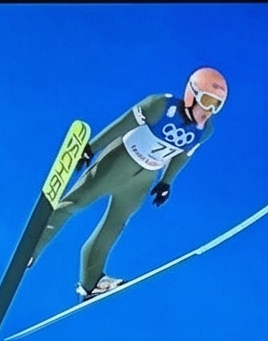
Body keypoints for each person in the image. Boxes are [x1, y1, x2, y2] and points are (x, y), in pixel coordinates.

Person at [36, 67, 227, 299]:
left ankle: (91, 282)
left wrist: (166, 182)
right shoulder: (159, 105)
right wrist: (91, 148)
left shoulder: (204, 131)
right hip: (120, 160)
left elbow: (182, 156)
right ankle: (32, 248)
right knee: (75, 203)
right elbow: (124, 123)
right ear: (191, 94)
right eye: (207, 101)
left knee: (115, 224)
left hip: (144, 178)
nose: (209, 111)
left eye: (217, 105)